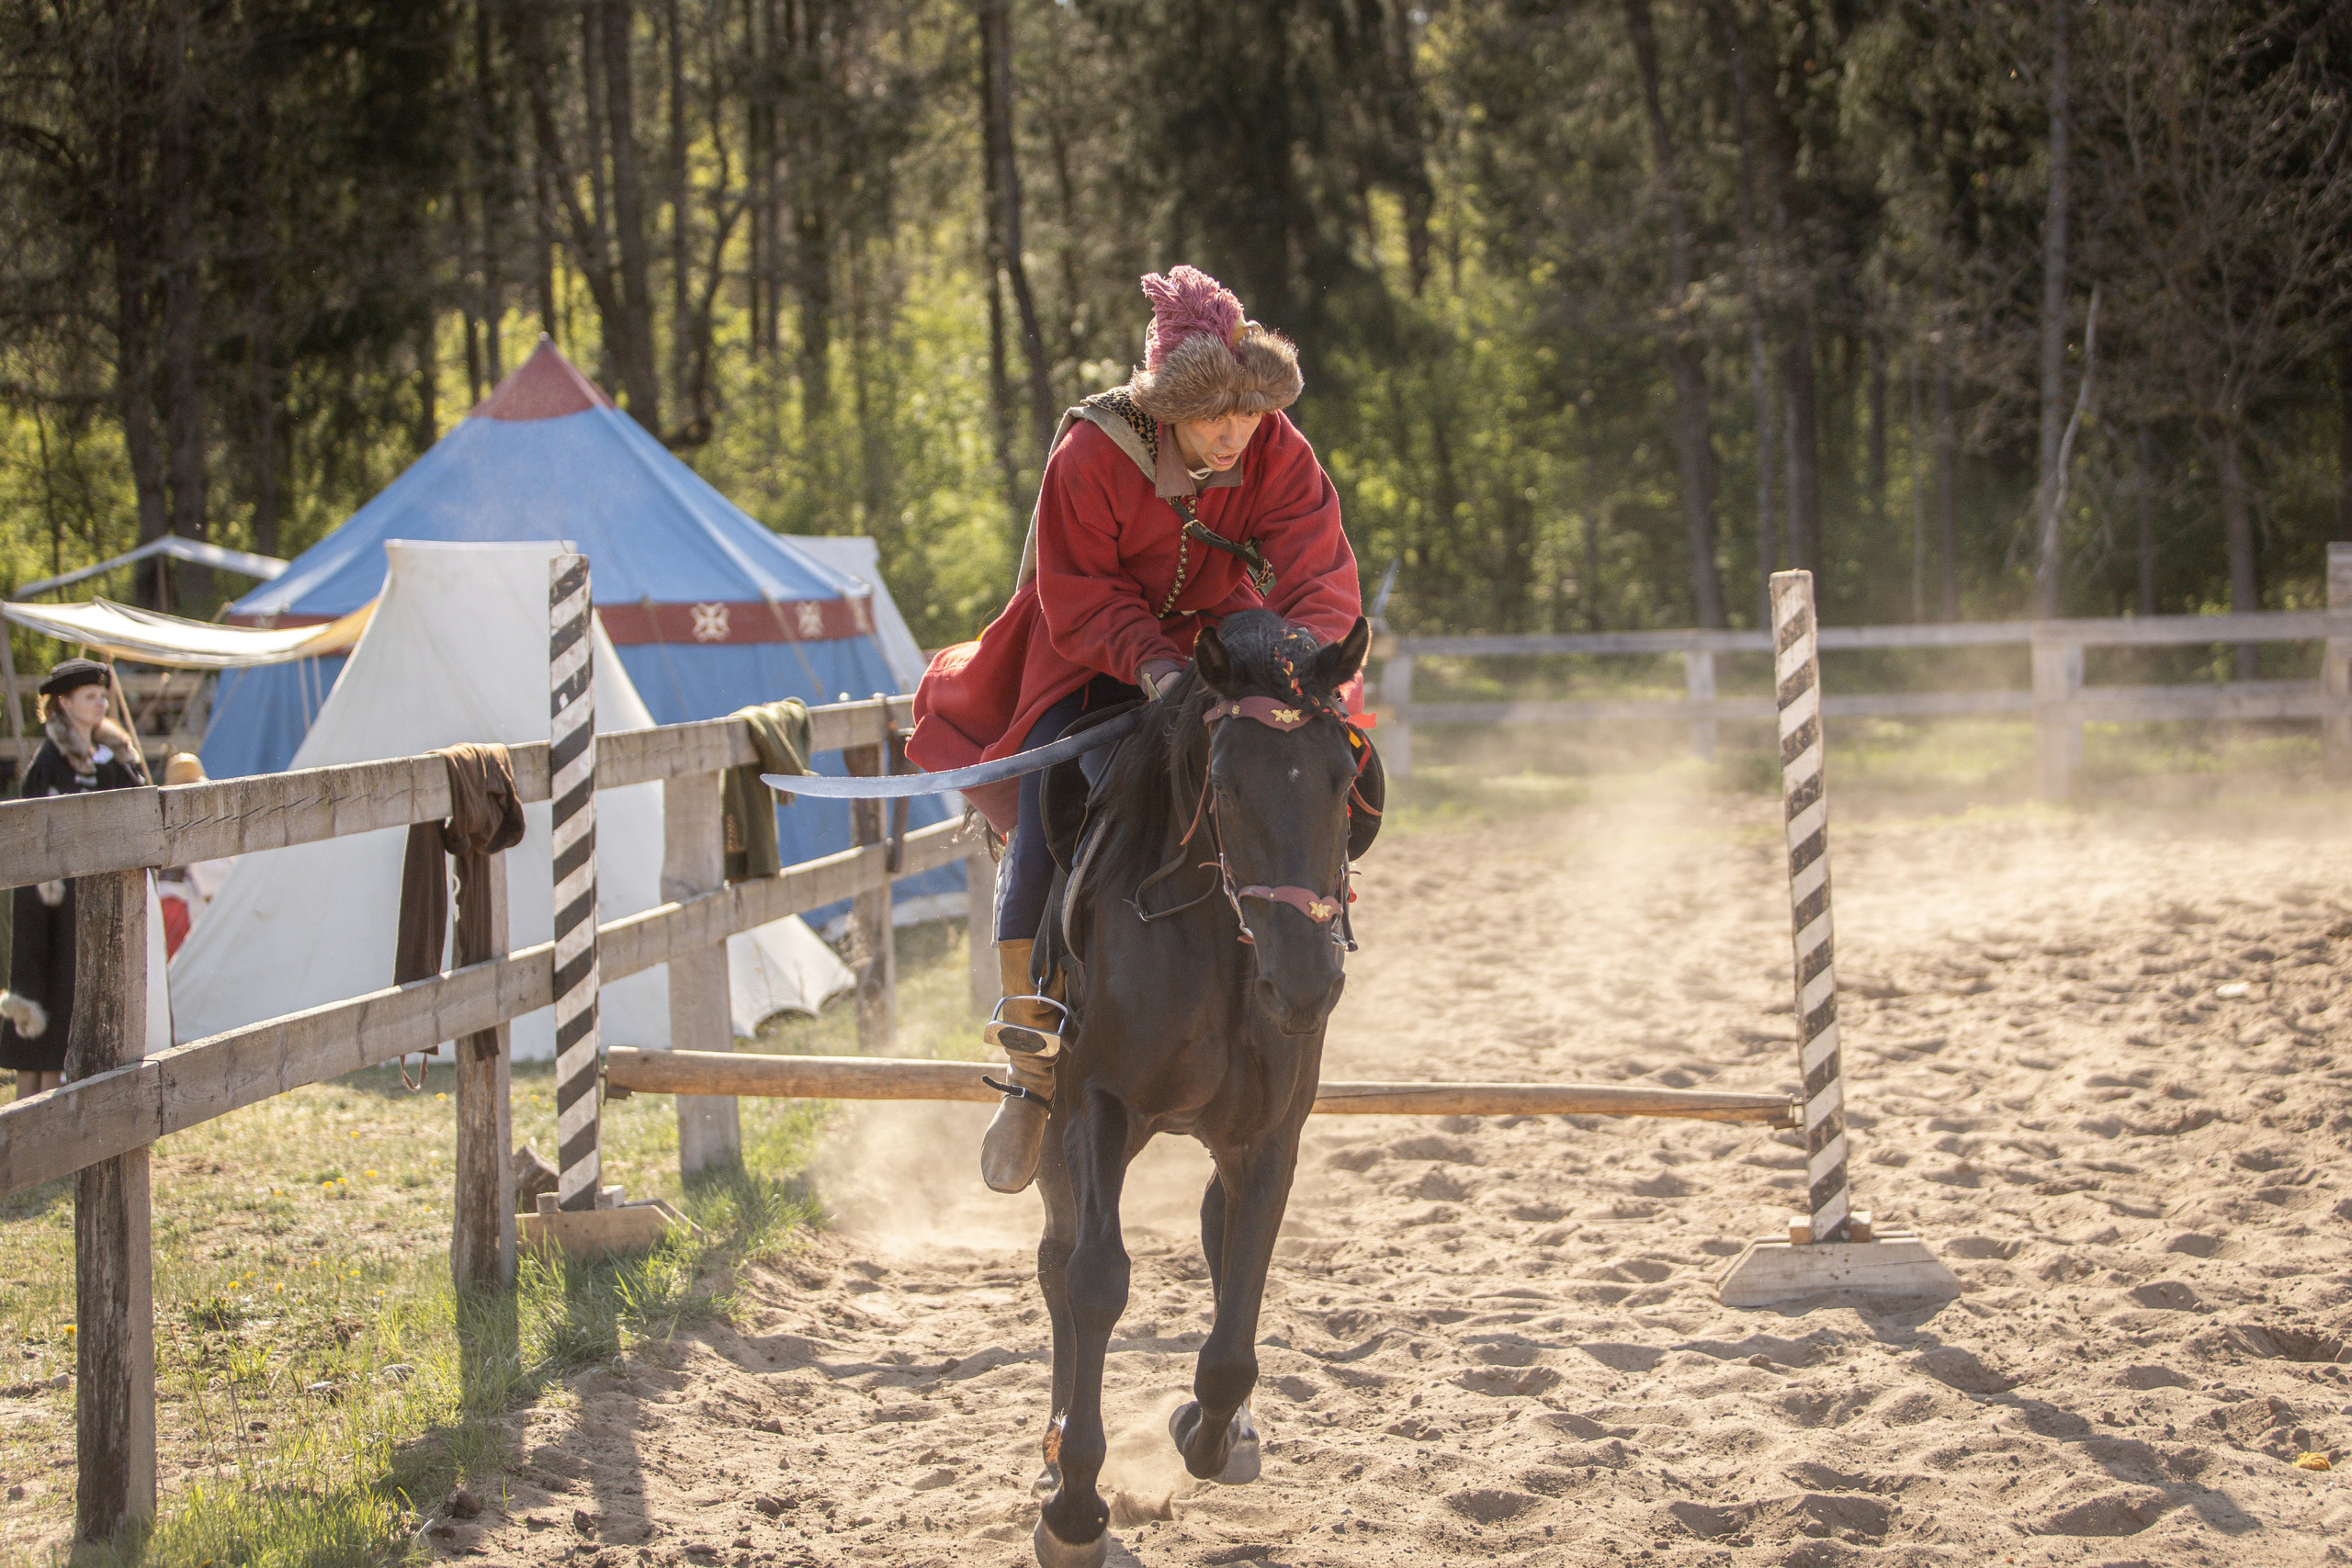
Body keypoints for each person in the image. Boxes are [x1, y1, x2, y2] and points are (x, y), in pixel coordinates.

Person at [910, 265, 1362, 1193]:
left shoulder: (1275, 446)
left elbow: (1318, 565)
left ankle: (1303, 945)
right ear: (1166, 409)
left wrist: (1300, 662)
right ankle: (1032, 1054)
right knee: (1047, 814)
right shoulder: (1088, 457)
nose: (1234, 433)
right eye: (1211, 418)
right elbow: (1075, 594)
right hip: (1089, 658)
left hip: (1226, 658)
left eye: (1246, 412)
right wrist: (1151, 662)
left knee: (1310, 773)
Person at [1, 658, 151, 1100]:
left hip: (101, 899)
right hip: (55, 902)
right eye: (90, 696)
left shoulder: (113, 756)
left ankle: (77, 1101)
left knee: (87, 994)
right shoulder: (50, 762)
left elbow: (140, 804)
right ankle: (33, 1108)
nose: (102, 703)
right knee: (54, 988)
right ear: (63, 703)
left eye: (103, 695)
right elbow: (36, 837)